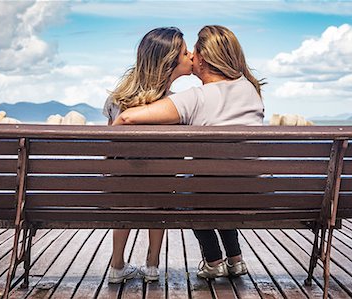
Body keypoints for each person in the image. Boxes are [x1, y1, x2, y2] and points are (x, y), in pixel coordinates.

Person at [113, 25, 265, 279]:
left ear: (204, 60)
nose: (191, 58)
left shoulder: (194, 98)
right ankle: (235, 258)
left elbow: (127, 119)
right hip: (251, 194)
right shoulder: (251, 89)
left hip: (208, 195)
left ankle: (214, 260)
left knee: (187, 191)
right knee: (214, 187)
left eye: (193, 53)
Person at [103, 27, 193, 283]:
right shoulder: (176, 105)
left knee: (125, 185)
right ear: (170, 61)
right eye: (186, 53)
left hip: (121, 193)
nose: (191, 57)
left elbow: (110, 151)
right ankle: (152, 265)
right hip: (161, 193)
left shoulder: (116, 100)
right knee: (162, 187)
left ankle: (117, 265)